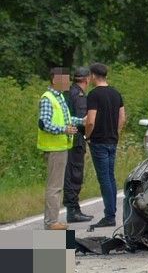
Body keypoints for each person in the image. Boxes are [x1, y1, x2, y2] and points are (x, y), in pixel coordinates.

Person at [38, 67, 83, 230]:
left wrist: (80, 121)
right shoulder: (48, 98)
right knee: (54, 186)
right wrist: (64, 129)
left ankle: (52, 220)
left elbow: (66, 118)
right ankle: (51, 223)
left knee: (57, 185)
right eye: (65, 79)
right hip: (54, 147)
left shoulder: (59, 97)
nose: (68, 82)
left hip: (60, 146)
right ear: (55, 80)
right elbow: (44, 123)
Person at [84, 62, 124, 228]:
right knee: (111, 176)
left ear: (93, 76)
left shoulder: (93, 95)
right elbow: (122, 117)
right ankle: (112, 211)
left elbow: (91, 120)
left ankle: (109, 215)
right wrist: (116, 133)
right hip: (112, 140)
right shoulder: (115, 93)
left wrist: (87, 135)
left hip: (98, 141)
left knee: (104, 178)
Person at [63, 67, 94, 223]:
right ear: (87, 79)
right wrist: (88, 135)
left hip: (67, 139)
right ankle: (73, 210)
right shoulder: (79, 95)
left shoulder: (68, 92)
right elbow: (83, 119)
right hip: (75, 140)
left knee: (69, 173)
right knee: (75, 174)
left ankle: (72, 208)